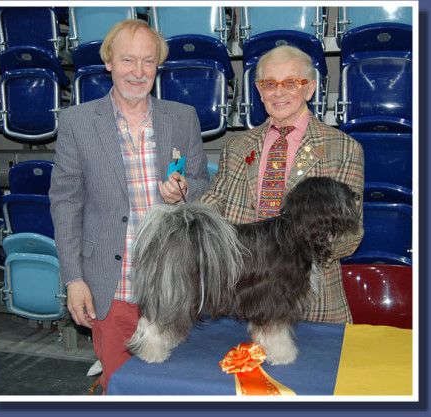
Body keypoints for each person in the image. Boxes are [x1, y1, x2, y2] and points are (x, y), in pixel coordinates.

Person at [49, 19, 209, 392]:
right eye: (127, 60)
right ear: (108, 62)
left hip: (174, 290)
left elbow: (202, 184)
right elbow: (65, 205)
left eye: (148, 62)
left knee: (176, 393)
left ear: (158, 66)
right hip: (112, 289)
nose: (138, 73)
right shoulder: (77, 122)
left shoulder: (183, 117)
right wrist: (74, 279)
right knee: (121, 390)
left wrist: (185, 190)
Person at [199, 45, 364, 324]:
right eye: (269, 84)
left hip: (311, 306)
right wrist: (188, 221)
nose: (278, 92)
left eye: (291, 83)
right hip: (240, 300)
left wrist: (289, 247)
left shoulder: (344, 148)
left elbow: (351, 235)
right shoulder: (236, 146)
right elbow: (213, 205)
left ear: (310, 89)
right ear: (259, 90)